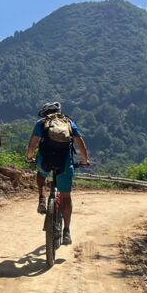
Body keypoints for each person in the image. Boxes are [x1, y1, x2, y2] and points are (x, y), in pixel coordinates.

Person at [25, 102, 89, 245]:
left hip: (45, 160)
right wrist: (84, 161)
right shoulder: (69, 123)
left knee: (41, 174)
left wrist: (29, 157)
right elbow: (80, 145)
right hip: (65, 162)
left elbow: (32, 145)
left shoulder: (41, 123)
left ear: (45, 113)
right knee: (66, 197)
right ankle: (66, 231)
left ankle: (41, 197)